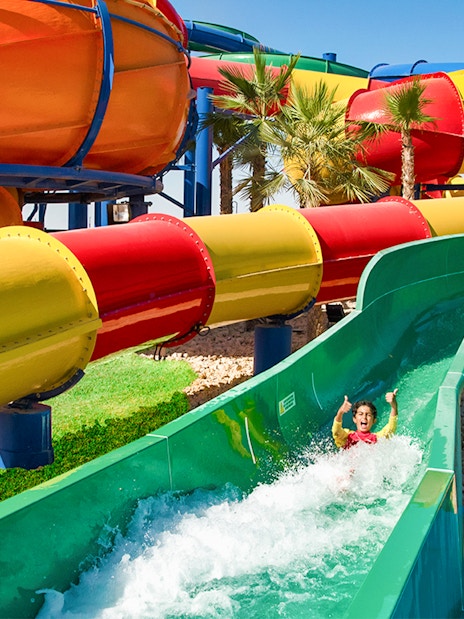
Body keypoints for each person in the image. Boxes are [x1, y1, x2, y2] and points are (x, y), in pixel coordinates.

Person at [332, 389, 398, 449]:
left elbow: (390, 429)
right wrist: (340, 412)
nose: (364, 417)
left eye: (368, 415)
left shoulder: (377, 438)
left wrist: (394, 406)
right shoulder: (347, 436)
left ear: (374, 420)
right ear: (354, 419)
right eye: (360, 414)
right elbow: (336, 432)